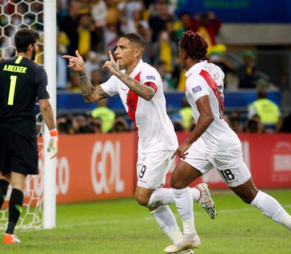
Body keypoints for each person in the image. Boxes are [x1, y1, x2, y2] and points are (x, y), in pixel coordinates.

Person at [64, 32, 216, 254]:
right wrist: (82, 73)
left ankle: (197, 194)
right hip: (145, 142)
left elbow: (147, 92)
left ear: (137, 52)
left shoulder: (148, 72)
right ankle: (186, 250)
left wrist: (118, 74)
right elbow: (91, 96)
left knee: (142, 197)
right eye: (116, 47)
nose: (116, 52)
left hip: (161, 141)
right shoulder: (119, 76)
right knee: (152, 202)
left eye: (122, 48)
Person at [167, 30, 291, 253]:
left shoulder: (194, 78)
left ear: (185, 53)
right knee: (177, 181)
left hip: (221, 145)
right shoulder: (214, 70)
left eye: (179, 52)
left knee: (250, 195)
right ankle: (189, 236)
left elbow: (206, 115)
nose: (178, 56)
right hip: (208, 142)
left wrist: (186, 143)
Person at [0, 28, 59, 245]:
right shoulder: (37, 71)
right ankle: (9, 233)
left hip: (1, 128)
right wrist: (54, 133)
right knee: (19, 182)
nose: (37, 47)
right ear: (31, 47)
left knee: (4, 175)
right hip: (23, 130)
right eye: (37, 44)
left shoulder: (0, 65)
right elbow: (45, 106)